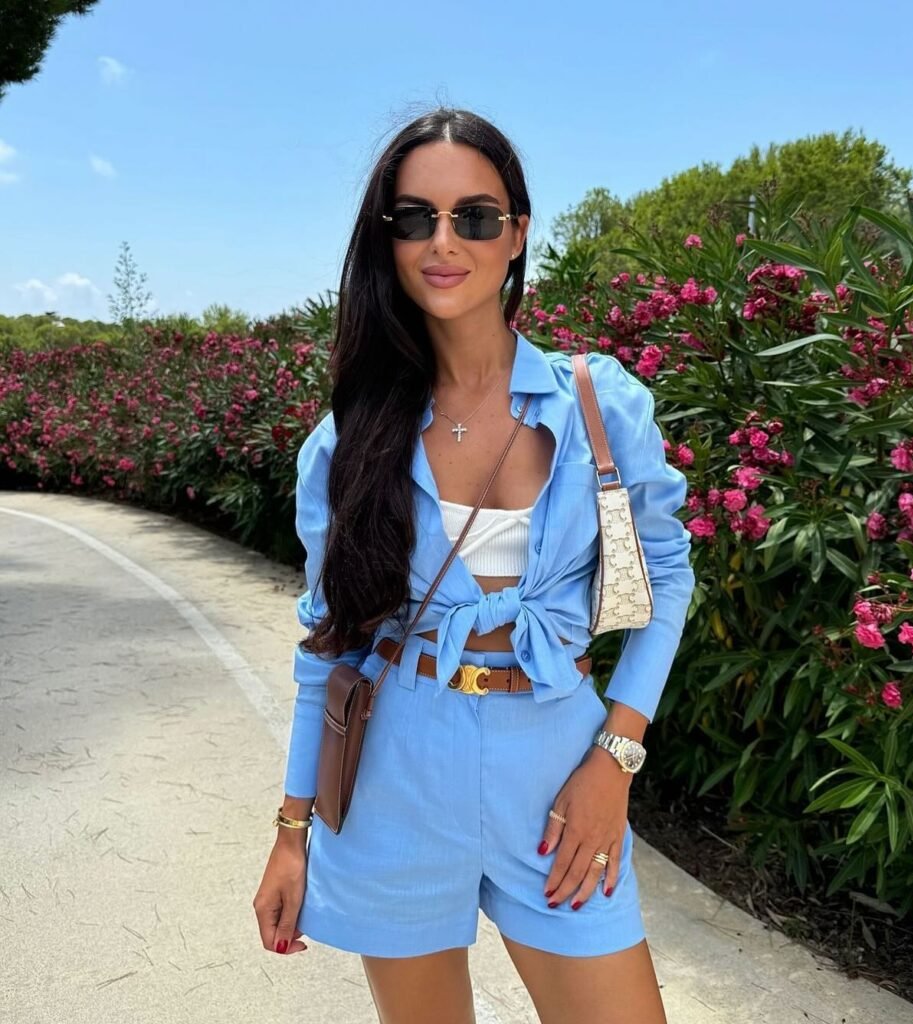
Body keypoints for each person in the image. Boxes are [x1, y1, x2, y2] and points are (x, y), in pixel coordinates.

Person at [253, 106, 695, 1024]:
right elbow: (326, 644)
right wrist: (291, 834)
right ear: (388, 241)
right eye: (414, 218)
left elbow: (665, 577)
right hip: (394, 781)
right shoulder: (350, 440)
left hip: (559, 770)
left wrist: (615, 759)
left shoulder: (596, 402)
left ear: (517, 233)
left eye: (474, 216)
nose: (442, 241)